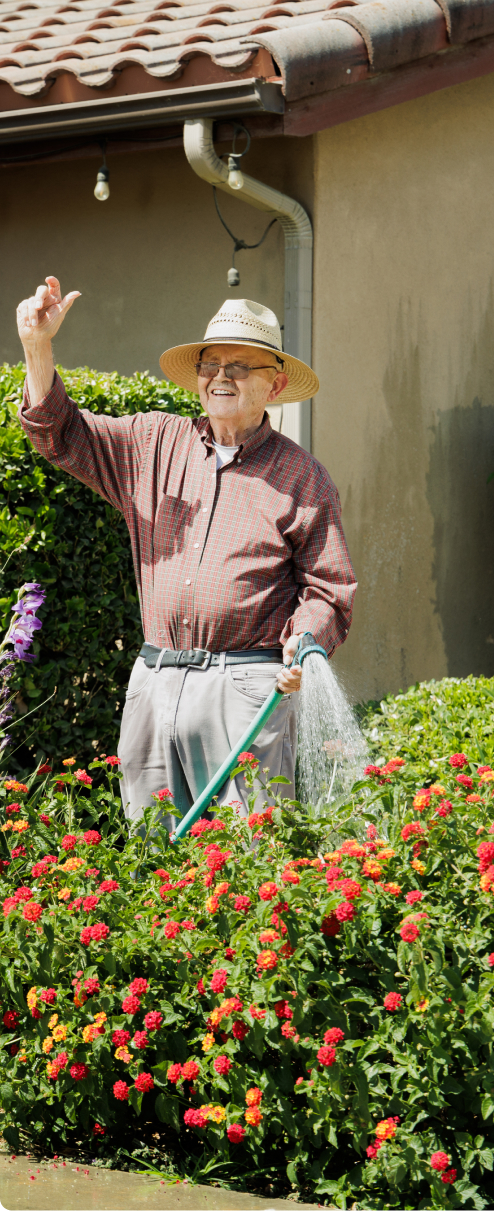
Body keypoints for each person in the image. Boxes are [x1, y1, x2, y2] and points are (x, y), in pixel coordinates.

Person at [16, 276, 356, 830]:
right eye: (210, 365)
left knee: (247, 865)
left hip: (248, 686)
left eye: (239, 366)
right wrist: (37, 345)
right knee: (152, 856)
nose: (220, 376)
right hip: (156, 678)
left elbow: (328, 589)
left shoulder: (303, 478)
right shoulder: (152, 442)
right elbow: (63, 434)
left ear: (275, 385)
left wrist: (304, 640)